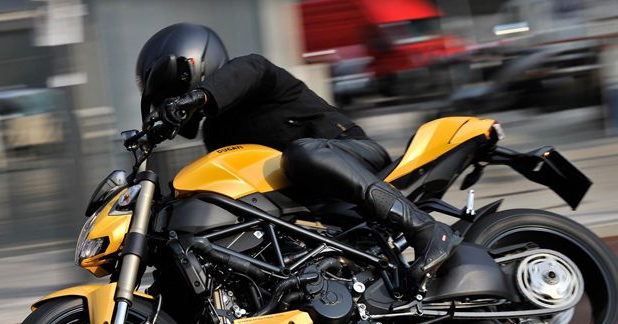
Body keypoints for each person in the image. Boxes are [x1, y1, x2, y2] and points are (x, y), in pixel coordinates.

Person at [136, 23, 461, 290]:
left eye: (173, 94)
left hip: (352, 157)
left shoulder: (254, 76)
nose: (172, 102)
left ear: (196, 67)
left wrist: (198, 97)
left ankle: (425, 228)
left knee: (302, 153)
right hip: (309, 205)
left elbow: (251, 70)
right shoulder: (216, 134)